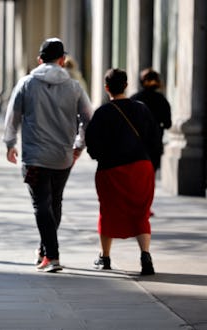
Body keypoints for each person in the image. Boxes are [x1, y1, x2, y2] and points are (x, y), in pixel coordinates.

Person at [2, 38, 92, 273]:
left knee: (41, 205)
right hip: (63, 156)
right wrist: (79, 145)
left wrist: (10, 143)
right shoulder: (74, 87)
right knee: (55, 201)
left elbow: (13, 116)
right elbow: (88, 118)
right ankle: (44, 251)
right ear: (62, 60)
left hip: (34, 157)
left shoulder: (27, 83)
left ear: (40, 60)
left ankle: (52, 256)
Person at [85, 68, 162, 275]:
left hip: (111, 170)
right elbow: (155, 139)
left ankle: (105, 257)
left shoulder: (102, 113)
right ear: (126, 86)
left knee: (108, 211)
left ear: (106, 88)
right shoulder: (142, 109)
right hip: (141, 168)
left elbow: (91, 144)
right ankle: (145, 256)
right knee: (141, 213)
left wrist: (101, 156)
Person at [130, 68, 171, 171]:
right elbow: (168, 124)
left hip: (136, 146)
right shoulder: (162, 100)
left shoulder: (134, 99)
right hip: (154, 146)